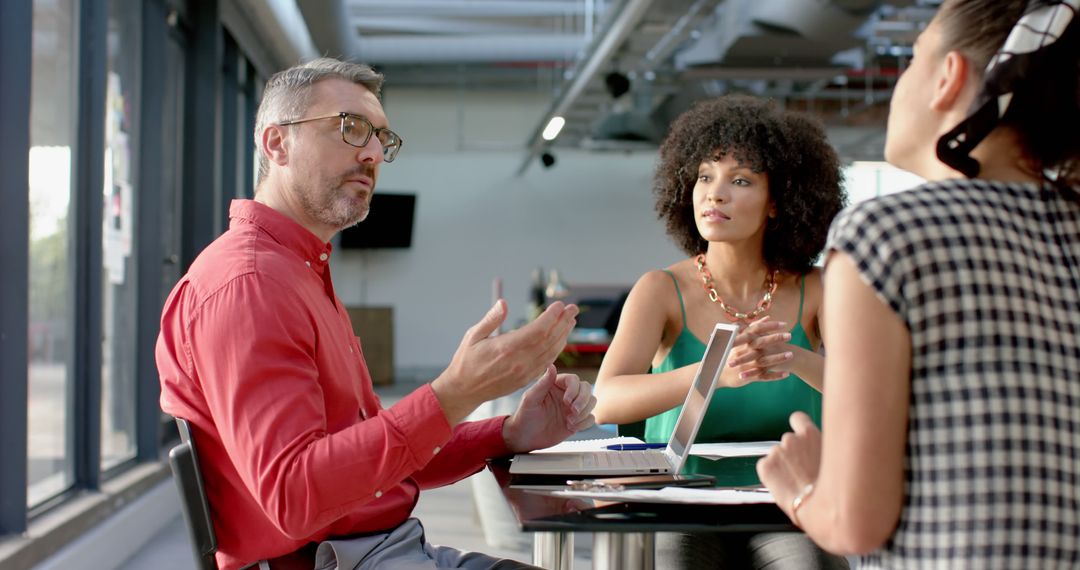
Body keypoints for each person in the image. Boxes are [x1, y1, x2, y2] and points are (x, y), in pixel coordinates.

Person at [155, 57, 596, 570]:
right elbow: (295, 495)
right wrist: (454, 394)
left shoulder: (297, 270)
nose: (371, 154)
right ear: (277, 143)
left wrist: (507, 434)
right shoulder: (251, 284)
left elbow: (374, 459)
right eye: (351, 128)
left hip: (384, 549)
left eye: (381, 139)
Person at [757, 0, 1080, 568]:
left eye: (911, 58)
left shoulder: (886, 233)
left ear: (947, 77)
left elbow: (856, 522)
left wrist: (804, 487)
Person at [591, 94, 847, 568]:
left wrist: (794, 358)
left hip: (788, 499)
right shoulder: (659, 289)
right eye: (705, 177)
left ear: (777, 203)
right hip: (680, 497)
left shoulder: (820, 288)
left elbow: (866, 394)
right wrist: (715, 372)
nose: (715, 193)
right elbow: (605, 399)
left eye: (741, 180)